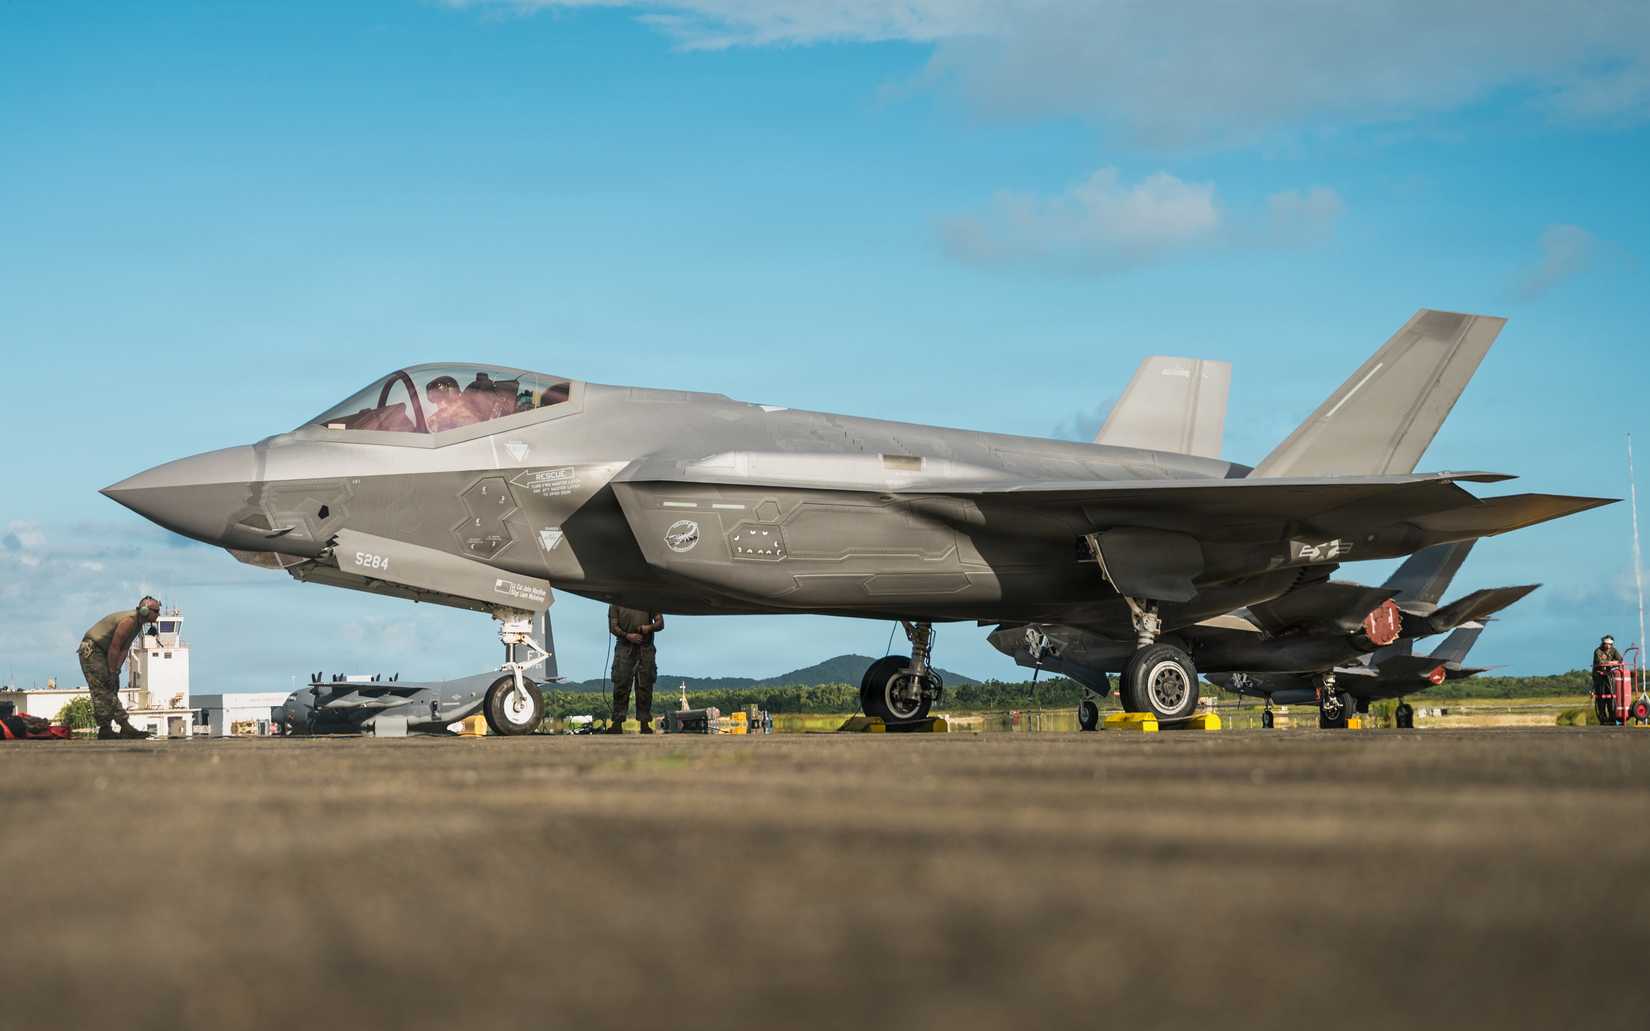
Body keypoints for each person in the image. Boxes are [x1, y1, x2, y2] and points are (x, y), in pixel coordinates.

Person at [77, 597, 161, 740]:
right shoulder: (128, 621)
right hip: (93, 650)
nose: (158, 614)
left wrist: (116, 671)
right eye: (156, 611)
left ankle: (108, 728)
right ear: (146, 611)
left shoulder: (137, 625)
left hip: (103, 652)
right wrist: (111, 671)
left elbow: (124, 649)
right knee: (103, 688)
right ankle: (121, 725)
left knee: (111, 686)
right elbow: (115, 647)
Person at [607, 605, 664, 734]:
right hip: (624, 647)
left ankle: (644, 723)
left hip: (645, 647)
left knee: (645, 685)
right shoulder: (615, 602)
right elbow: (613, 626)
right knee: (621, 684)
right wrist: (627, 635)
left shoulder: (649, 598)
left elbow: (660, 623)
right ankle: (617, 722)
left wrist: (648, 628)